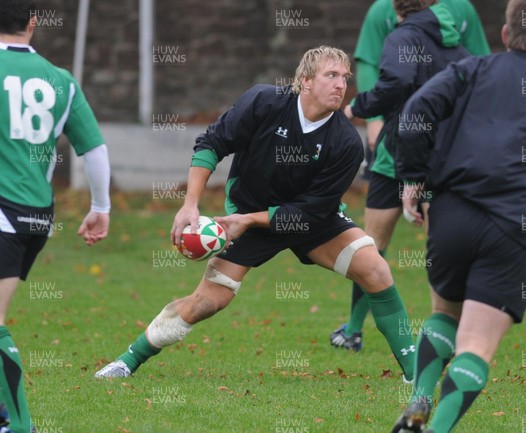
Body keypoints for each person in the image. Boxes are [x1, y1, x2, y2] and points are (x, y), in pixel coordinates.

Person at [95, 46, 417, 383]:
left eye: (344, 78)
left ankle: (414, 372)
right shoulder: (264, 102)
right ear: (305, 81)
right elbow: (212, 142)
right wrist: (190, 204)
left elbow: (312, 211)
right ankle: (127, 361)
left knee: (375, 269)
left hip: (309, 221)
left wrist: (249, 220)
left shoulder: (346, 141)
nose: (341, 85)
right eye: (331, 75)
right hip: (246, 216)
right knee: (207, 301)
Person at [390, 0, 526, 431]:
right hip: (516, 227)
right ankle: (437, 428)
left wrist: (414, 179)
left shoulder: (472, 70)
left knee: (445, 312)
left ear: (505, 35)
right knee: (476, 344)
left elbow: (414, 112)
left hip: (452, 214)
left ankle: (419, 399)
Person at [332, 0, 469, 351]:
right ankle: (452, 336)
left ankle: (353, 331)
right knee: (445, 249)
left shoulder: (402, 37)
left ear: (396, 7)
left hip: (399, 156)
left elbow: (396, 82)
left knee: (370, 246)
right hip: (446, 156)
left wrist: (357, 108)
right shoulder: (455, 40)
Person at [0, 1, 111, 432]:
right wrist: (100, 208)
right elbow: (95, 151)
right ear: (32, 23)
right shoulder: (61, 81)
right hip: (35, 218)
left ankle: (19, 424)